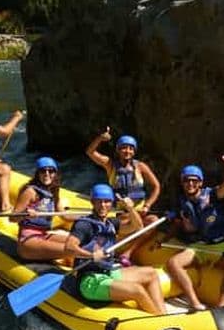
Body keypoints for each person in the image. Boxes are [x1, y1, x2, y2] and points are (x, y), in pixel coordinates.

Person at [64, 184, 166, 315]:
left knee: (151, 274)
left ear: (111, 203)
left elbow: (138, 227)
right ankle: (158, 321)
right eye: (99, 201)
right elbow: (69, 247)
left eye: (106, 202)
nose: (103, 205)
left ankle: (163, 314)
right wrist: (91, 255)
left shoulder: (111, 223)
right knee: (137, 290)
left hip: (108, 272)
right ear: (92, 202)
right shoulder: (84, 225)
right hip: (90, 281)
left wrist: (130, 208)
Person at [165, 157, 224, 311]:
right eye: (186, 180)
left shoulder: (212, 195)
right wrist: (186, 226)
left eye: (194, 180)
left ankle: (221, 306)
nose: (190, 184)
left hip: (220, 244)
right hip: (200, 246)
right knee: (173, 263)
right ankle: (194, 302)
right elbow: (190, 231)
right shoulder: (182, 203)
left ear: (200, 183)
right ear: (182, 183)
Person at [85, 127, 161, 261]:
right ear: (118, 150)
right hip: (122, 213)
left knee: (153, 221)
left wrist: (148, 205)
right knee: (126, 224)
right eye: (123, 148)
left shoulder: (140, 166)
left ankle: (128, 253)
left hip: (140, 212)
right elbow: (90, 152)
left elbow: (156, 186)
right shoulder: (110, 165)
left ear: (134, 151)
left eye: (130, 148)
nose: (127, 151)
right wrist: (100, 139)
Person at [12, 157, 74, 261]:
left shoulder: (53, 192)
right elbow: (12, 218)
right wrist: (24, 214)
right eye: (43, 171)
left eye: (51, 171)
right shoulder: (30, 191)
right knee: (73, 250)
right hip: (28, 240)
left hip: (44, 235)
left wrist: (87, 217)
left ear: (55, 173)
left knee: (80, 243)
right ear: (37, 173)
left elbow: (65, 216)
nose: (47, 174)